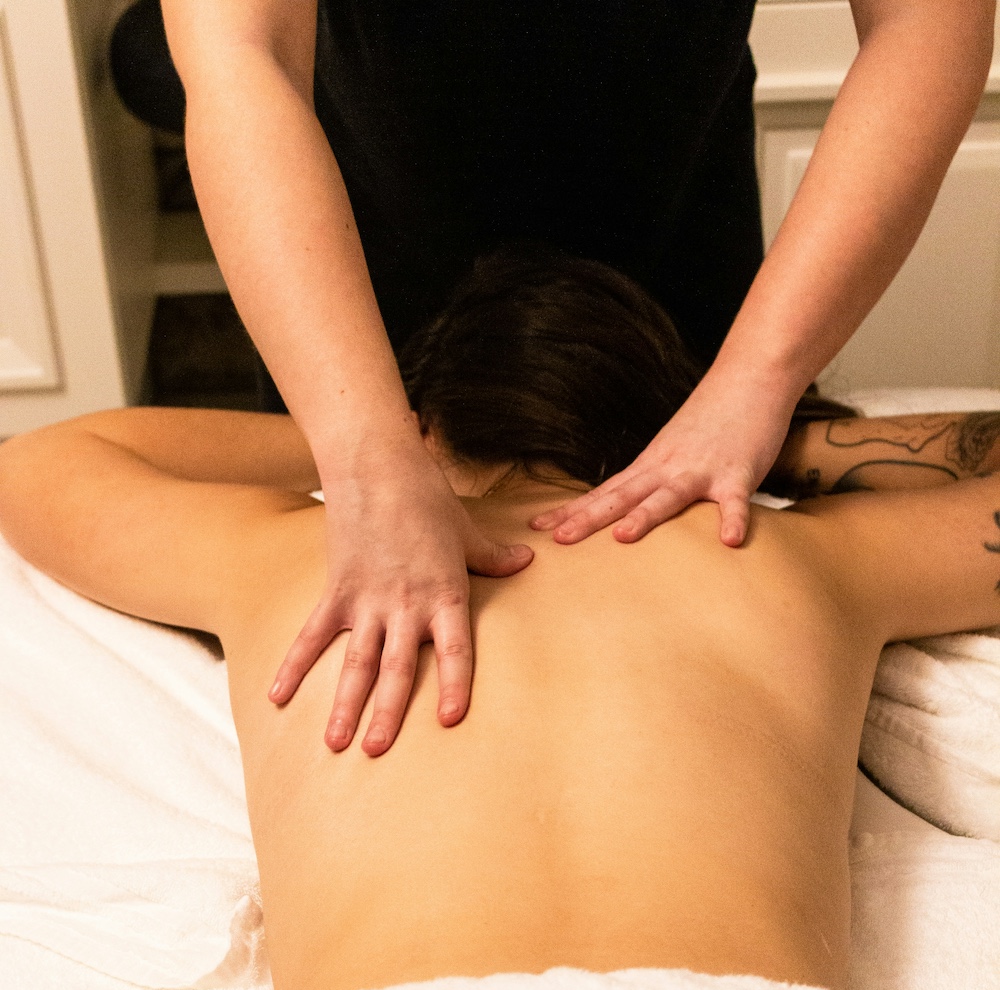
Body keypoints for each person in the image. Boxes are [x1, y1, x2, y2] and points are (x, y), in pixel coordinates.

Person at [1, 249, 999, 990]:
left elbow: (40, 462)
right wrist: (778, 438)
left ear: (431, 422)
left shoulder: (293, 556)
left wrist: (378, 445)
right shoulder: (792, 560)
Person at [146, 0, 994, 756]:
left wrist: (757, 388)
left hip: (668, 282)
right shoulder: (808, 571)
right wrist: (363, 456)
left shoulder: (794, 567)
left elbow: (927, 18)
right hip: (357, 290)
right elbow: (237, 54)